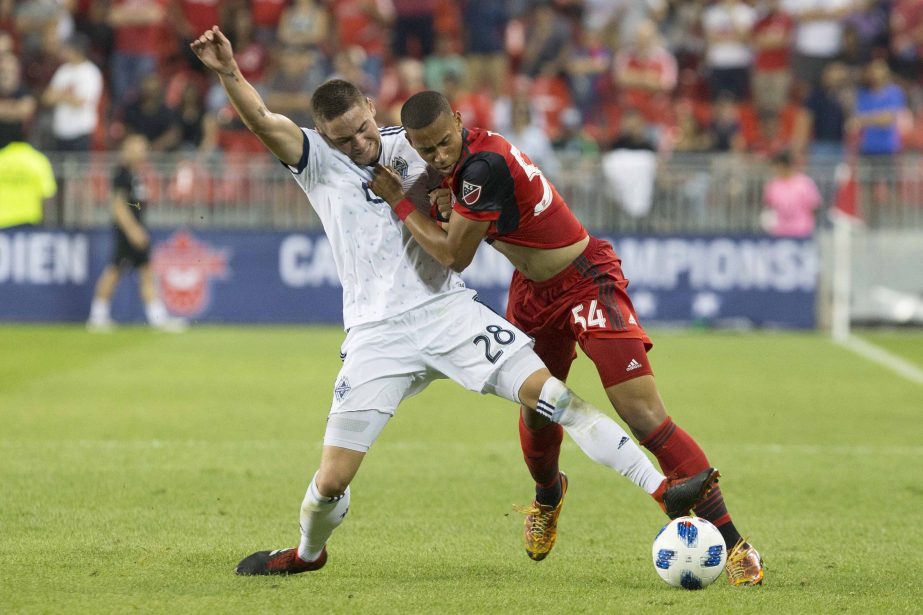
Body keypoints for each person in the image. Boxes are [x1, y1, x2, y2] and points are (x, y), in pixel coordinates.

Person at [189, 26, 717, 576]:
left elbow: (476, 183)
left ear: (373, 108)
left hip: (448, 313)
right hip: (375, 334)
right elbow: (262, 121)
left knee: (555, 399)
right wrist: (229, 72)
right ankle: (307, 553)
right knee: (331, 482)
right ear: (323, 134)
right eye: (342, 138)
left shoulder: (418, 147)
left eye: (362, 128)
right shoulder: (318, 162)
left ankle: (663, 492)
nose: (358, 143)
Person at [369, 90, 765, 586]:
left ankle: (733, 545)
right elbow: (456, 201)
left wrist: (400, 200)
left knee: (641, 412)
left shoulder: (482, 166)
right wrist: (433, 193)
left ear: (459, 119)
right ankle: (548, 496)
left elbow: (453, 255)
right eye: (426, 151)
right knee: (538, 409)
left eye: (445, 143)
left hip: (585, 279)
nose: (438, 156)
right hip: (533, 294)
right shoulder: (460, 165)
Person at [86, 134, 187, 332]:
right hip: (128, 232)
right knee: (114, 271)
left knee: (145, 272)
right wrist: (133, 230)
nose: (142, 151)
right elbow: (118, 206)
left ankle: (156, 317)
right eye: (138, 147)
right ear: (127, 149)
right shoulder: (122, 174)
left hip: (136, 229)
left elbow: (134, 202)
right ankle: (97, 316)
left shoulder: (136, 174)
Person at [0, 130, 57, 228]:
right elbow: (47, 193)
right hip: (28, 219)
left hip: (3, 220)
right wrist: (48, 225)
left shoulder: (2, 158)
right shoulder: (38, 160)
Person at [762, 150, 823, 237]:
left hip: (801, 230)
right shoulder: (772, 185)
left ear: (783, 166)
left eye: (776, 167)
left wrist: (809, 223)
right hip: (779, 231)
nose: (774, 171)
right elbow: (769, 205)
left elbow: (815, 206)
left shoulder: (804, 183)